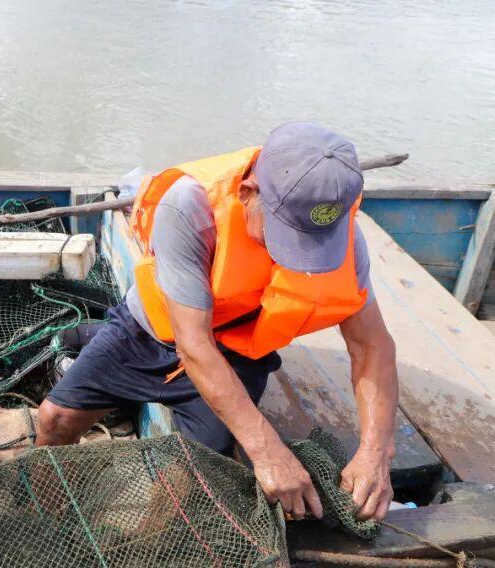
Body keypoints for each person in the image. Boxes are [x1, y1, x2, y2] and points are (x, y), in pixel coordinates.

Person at [38, 122, 399, 523]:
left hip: (239, 351)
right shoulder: (189, 205)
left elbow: (371, 345)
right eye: (284, 237)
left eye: (312, 245)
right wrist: (267, 449)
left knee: (193, 476)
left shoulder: (344, 234)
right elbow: (192, 345)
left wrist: (376, 452)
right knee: (54, 420)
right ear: (248, 193)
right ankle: (52, 516)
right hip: (153, 333)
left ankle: (148, 543)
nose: (293, 258)